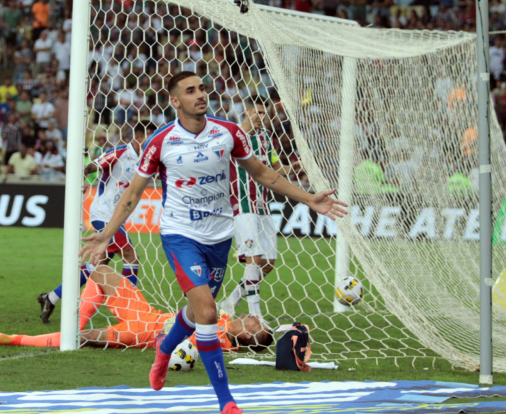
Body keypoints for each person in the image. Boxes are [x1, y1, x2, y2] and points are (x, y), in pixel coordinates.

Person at [81, 72, 347, 414]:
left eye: (202, 88)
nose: (200, 94)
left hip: (221, 235)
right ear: (175, 101)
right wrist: (106, 234)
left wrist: (309, 198)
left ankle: (165, 350)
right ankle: (227, 402)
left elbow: (263, 174)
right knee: (207, 311)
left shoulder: (228, 133)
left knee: (194, 313)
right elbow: (132, 193)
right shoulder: (161, 141)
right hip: (180, 234)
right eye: (190, 91)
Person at [38, 122, 156, 324]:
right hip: (103, 213)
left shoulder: (149, 160)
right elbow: (90, 167)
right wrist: (81, 179)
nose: (152, 142)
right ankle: (129, 310)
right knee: (130, 255)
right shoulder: (119, 153)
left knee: (96, 266)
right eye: (149, 137)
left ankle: (50, 297)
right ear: (137, 137)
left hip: (118, 217)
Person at [0, 266, 272, 350]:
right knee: (102, 272)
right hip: (147, 313)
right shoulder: (223, 316)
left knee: (86, 339)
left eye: (257, 324)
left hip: (142, 335)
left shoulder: (222, 344)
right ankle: (75, 324)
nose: (255, 317)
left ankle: (18, 340)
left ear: (247, 336)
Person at [219, 97, 299, 320]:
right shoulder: (233, 136)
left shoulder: (265, 138)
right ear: (246, 110)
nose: (262, 118)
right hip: (242, 206)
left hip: (262, 207)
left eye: (265, 114)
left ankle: (230, 301)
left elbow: (274, 170)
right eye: (259, 112)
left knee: (268, 264)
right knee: (254, 259)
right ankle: (256, 316)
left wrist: (294, 167)